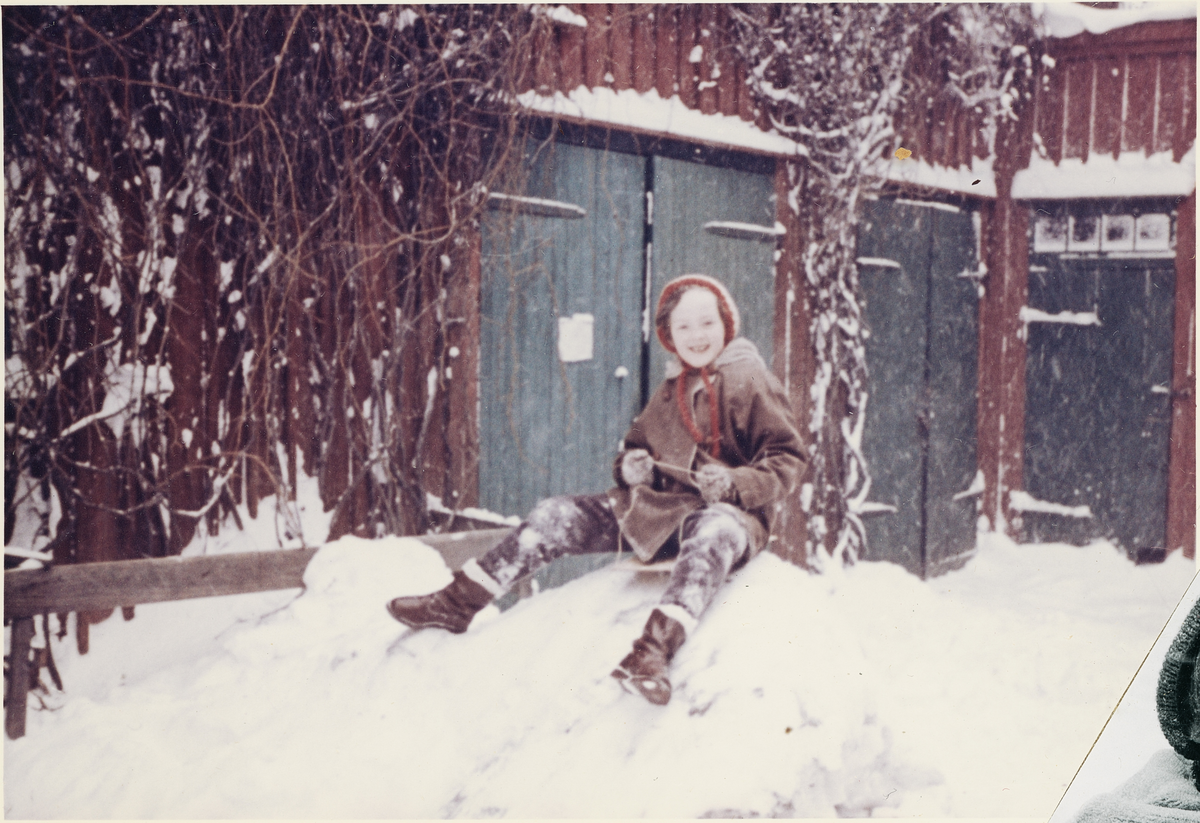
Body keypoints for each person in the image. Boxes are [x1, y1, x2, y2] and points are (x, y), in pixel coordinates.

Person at [386, 274, 807, 706]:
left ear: (726, 326)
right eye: (683, 326)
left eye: (707, 323)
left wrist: (737, 483)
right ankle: (457, 603)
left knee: (715, 531)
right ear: (669, 334)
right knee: (556, 515)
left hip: (730, 516)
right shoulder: (671, 389)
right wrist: (630, 468)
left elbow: (789, 458)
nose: (696, 336)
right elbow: (637, 445)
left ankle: (651, 654)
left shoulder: (750, 379)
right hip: (662, 510)